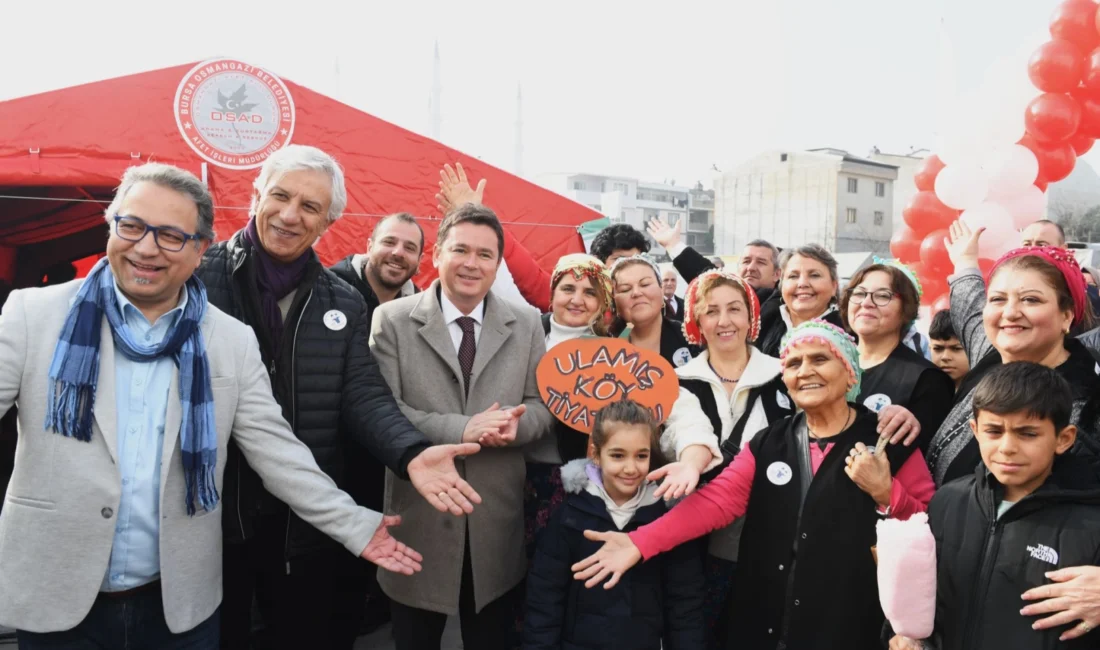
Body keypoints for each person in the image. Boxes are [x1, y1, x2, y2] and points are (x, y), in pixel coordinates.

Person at [0, 163, 424, 648]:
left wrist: (356, 525)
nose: (146, 248)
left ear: (199, 248)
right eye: (133, 226)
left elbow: (278, 452)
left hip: (179, 606)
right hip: (57, 595)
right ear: (111, 225)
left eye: (170, 236)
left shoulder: (228, 339)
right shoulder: (32, 316)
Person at [195, 145, 479, 650]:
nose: (289, 215)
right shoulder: (197, 278)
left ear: (329, 220)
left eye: (309, 206)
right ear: (255, 195)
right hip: (212, 516)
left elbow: (363, 395)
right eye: (280, 196)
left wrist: (410, 453)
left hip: (303, 521)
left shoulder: (342, 301)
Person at [571, 320, 935, 650]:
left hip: (848, 625)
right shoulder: (769, 441)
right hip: (764, 623)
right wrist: (640, 541)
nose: (805, 371)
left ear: (850, 373)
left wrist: (886, 494)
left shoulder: (888, 439)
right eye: (793, 364)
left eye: (820, 360)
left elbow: (930, 528)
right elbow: (716, 501)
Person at [370, 203, 555, 650]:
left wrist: (518, 427)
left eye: (486, 255)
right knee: (415, 637)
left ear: (498, 264)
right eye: (461, 250)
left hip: (497, 521)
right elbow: (383, 410)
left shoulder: (527, 321)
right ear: (436, 253)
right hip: (419, 519)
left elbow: (542, 407)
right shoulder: (393, 320)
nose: (472, 264)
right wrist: (464, 427)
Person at [891, 363, 1100, 649]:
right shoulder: (948, 502)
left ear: (1063, 439)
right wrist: (907, 637)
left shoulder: (1090, 523)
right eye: (994, 431)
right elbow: (923, 597)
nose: (1007, 447)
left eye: (1028, 433)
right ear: (975, 431)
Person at [655, 270, 793, 648]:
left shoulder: (786, 375)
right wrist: (691, 462)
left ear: (751, 317)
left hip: (772, 538)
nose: (724, 321)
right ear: (696, 320)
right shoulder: (677, 380)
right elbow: (687, 427)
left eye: (735, 309)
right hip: (699, 544)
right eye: (711, 311)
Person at [522, 401, 705, 649]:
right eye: (618, 455)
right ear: (596, 454)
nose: (630, 468)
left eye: (641, 455)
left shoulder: (667, 518)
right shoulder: (569, 515)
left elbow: (685, 602)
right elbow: (544, 599)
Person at [930, 221, 1100, 488]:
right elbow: (969, 305)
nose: (1009, 313)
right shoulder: (991, 354)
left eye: (1031, 300)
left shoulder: (1088, 407)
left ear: (1066, 316)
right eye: (997, 299)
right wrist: (964, 261)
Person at [328, 211, 425, 636]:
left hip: (391, 453)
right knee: (331, 576)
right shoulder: (328, 289)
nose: (397, 253)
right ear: (369, 242)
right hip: (333, 456)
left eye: (410, 247)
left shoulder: (420, 305)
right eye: (390, 242)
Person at [840, 259, 955, 451]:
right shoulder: (829, 365)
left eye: (883, 296)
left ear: (907, 309)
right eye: (859, 294)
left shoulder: (926, 379)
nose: (866, 303)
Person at [646, 215, 778, 302]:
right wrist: (673, 245)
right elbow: (707, 274)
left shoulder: (785, 306)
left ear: (777, 274)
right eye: (746, 261)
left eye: (761, 262)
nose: (751, 268)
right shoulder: (730, 294)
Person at [755, 244, 844, 357]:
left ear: (834, 286)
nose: (802, 283)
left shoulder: (849, 331)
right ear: (782, 286)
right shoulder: (765, 322)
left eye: (814, 275)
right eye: (793, 276)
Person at [609, 254, 697, 368]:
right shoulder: (605, 347)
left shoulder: (689, 337)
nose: (636, 293)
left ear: (661, 290)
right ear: (614, 301)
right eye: (625, 289)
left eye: (645, 284)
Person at [929, 309, 969, 391]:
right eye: (938, 348)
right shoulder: (922, 391)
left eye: (956, 348)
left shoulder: (989, 392)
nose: (945, 357)